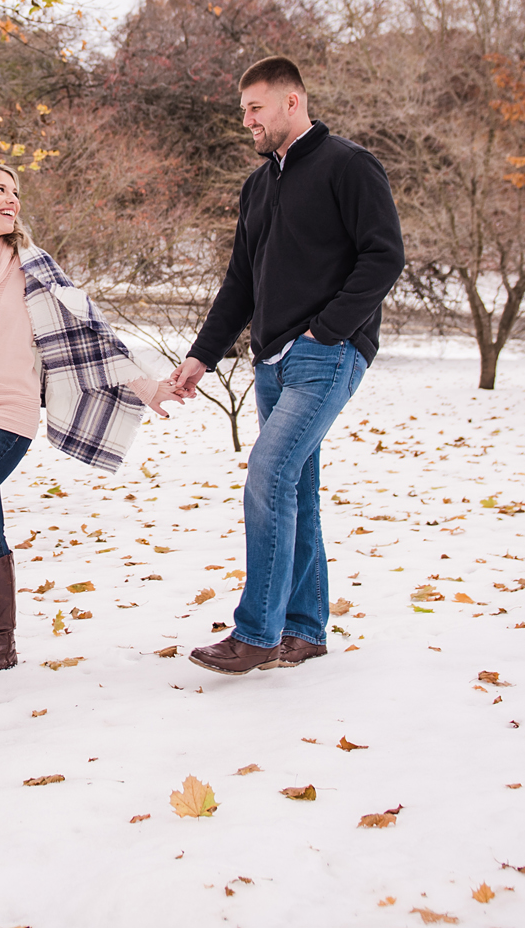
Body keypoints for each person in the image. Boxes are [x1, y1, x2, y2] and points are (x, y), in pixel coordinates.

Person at [0, 162, 182, 677]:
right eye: (0, 190)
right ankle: (1, 647)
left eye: (15, 191)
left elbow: (89, 333)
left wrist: (148, 386)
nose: (12, 199)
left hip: (7, 413)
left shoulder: (33, 266)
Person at [171, 57, 405, 676]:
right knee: (296, 489)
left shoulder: (348, 166)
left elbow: (383, 257)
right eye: (243, 110)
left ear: (293, 101)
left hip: (325, 355)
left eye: (255, 107)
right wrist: (203, 354)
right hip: (270, 362)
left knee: (268, 472)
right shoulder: (259, 185)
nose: (246, 120)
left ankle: (256, 633)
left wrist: (326, 331)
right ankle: (304, 630)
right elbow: (240, 284)